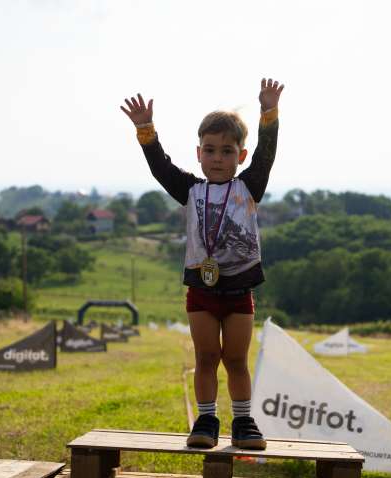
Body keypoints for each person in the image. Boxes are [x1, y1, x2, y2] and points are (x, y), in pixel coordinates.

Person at [120, 78, 284, 449]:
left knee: (237, 360)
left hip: (239, 291)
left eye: (227, 151)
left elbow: (267, 155)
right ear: (198, 153)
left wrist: (268, 113)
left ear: (240, 156)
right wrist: (146, 130)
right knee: (206, 357)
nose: (217, 158)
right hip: (201, 292)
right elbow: (161, 168)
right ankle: (206, 421)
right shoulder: (190, 189)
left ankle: (243, 423)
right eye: (209, 150)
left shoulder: (249, 187)